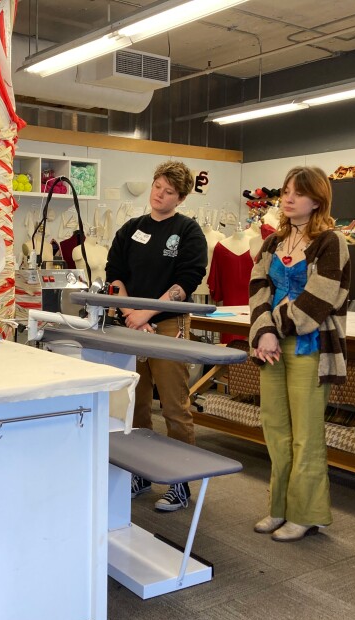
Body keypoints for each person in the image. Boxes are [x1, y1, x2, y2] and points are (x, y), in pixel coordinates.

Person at [248, 166, 350, 542]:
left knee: (306, 433)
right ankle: (279, 507)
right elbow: (257, 286)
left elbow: (321, 297)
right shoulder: (274, 241)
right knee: (275, 428)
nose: (288, 198)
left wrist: (276, 326)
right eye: (285, 191)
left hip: (312, 345)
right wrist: (265, 332)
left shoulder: (331, 241)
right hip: (271, 346)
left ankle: (305, 513)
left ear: (317, 199)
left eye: (297, 192)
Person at [104, 160, 206, 512]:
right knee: (136, 403)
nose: (159, 195)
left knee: (175, 407)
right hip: (130, 323)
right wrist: (130, 314)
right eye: (157, 187)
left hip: (167, 327)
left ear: (180, 198)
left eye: (169, 192)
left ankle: (180, 482)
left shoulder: (188, 232)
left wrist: (145, 314)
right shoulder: (131, 229)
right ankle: (141, 473)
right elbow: (114, 273)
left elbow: (188, 279)